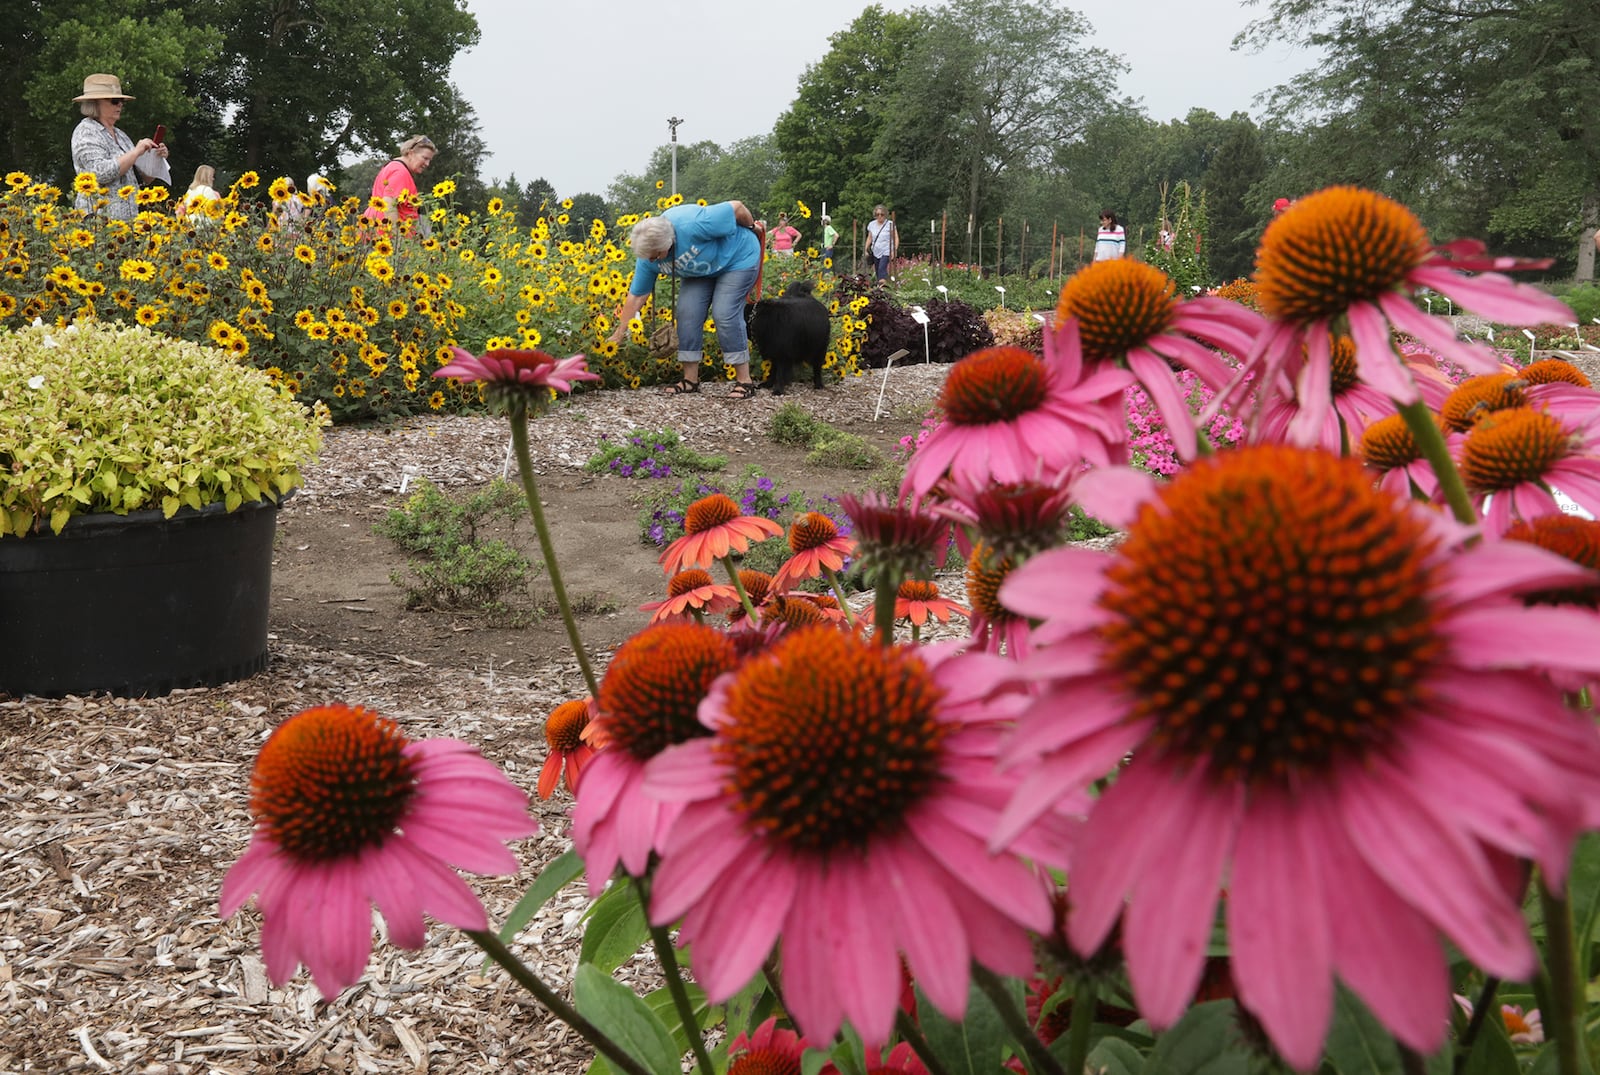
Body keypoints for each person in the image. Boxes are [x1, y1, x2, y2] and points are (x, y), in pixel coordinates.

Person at [608, 200, 764, 399]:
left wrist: (752, 228)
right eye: (648, 257)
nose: (651, 261)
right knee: (687, 314)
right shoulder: (648, 255)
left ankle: (745, 381)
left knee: (724, 313)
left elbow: (737, 207)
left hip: (738, 258)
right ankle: (690, 380)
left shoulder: (693, 224)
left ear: (668, 243)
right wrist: (620, 332)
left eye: (655, 256)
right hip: (701, 271)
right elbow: (637, 295)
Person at [70, 73, 169, 220]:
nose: (120, 105)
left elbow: (142, 180)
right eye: (115, 101)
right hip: (99, 223)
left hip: (128, 224)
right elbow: (99, 173)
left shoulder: (121, 135)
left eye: (122, 101)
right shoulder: (86, 131)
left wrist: (156, 158)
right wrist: (135, 152)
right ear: (95, 103)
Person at [361, 135, 435, 235]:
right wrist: (398, 241)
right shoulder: (400, 172)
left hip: (375, 231)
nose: (427, 164)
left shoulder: (393, 166)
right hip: (385, 239)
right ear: (411, 153)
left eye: (429, 160)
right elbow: (389, 203)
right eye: (425, 158)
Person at [866, 204, 898, 280]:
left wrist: (894, 250)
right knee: (877, 270)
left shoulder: (890, 224)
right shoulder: (872, 224)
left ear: (885, 215)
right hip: (875, 251)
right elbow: (869, 238)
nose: (879, 216)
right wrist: (866, 249)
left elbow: (896, 238)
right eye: (877, 214)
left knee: (881, 268)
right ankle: (884, 285)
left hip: (886, 250)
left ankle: (882, 288)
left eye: (882, 214)